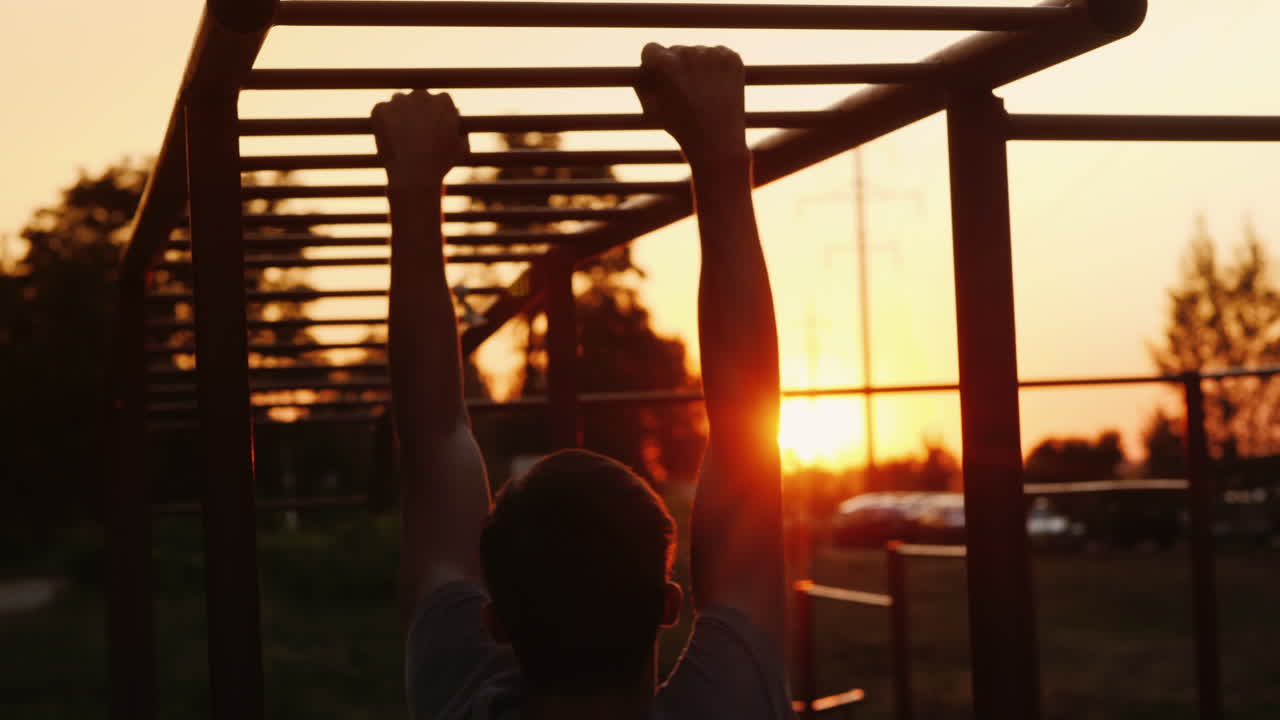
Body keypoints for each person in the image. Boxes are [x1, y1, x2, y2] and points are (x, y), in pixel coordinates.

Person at [372, 42, 789, 720]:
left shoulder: (461, 699)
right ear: (668, 605)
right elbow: (749, 436)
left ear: (496, 622)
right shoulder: (729, 705)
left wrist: (415, 194)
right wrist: (718, 148)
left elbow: (433, 439)